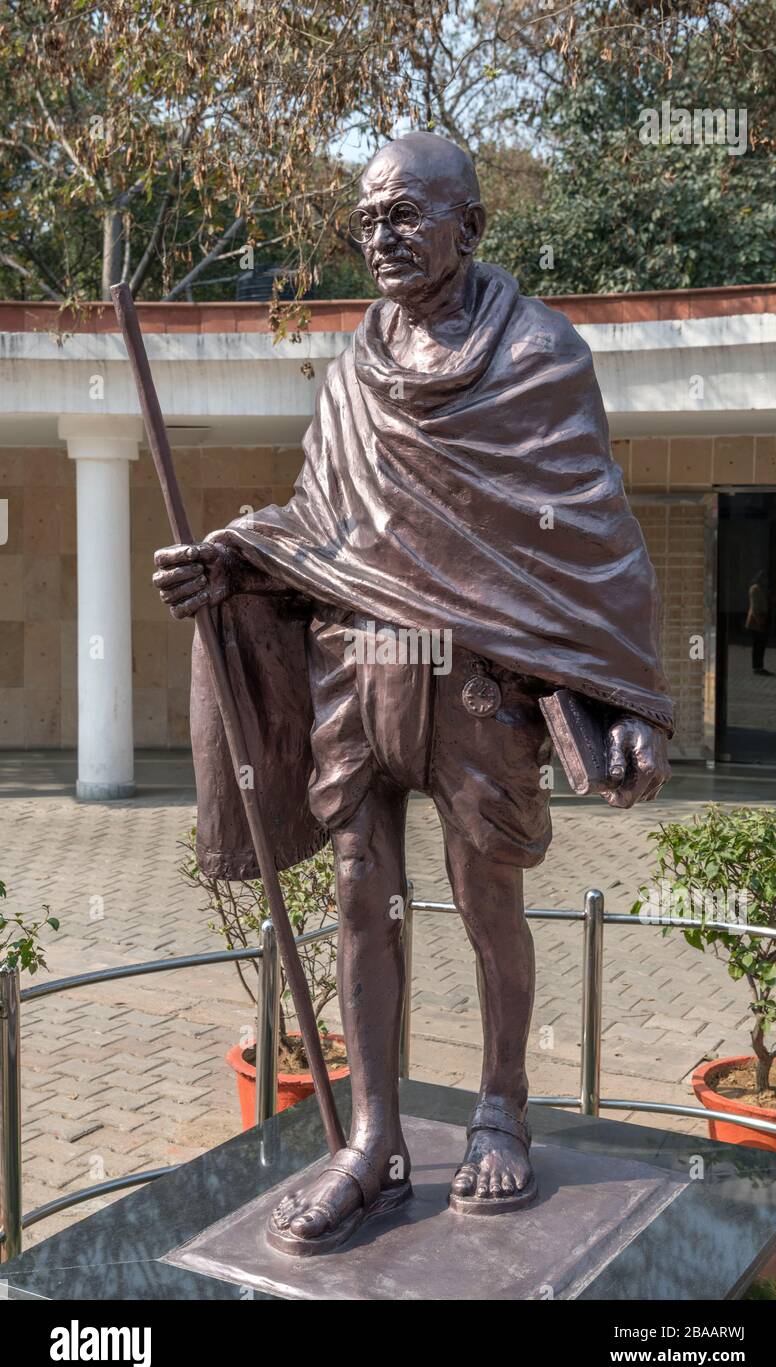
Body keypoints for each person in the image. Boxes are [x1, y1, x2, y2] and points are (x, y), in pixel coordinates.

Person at [153, 132, 673, 1253]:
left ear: (470, 226)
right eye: (367, 218)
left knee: (488, 897)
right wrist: (234, 561)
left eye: (404, 214)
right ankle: (376, 1136)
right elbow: (325, 531)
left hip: (475, 686)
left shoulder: (538, 353)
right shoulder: (351, 372)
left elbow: (595, 540)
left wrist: (629, 700)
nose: (380, 235)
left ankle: (501, 1108)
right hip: (354, 668)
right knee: (359, 897)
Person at [745, 570, 771, 675]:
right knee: (758, 645)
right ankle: (757, 667)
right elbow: (755, 607)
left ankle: (760, 666)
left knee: (761, 644)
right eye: (765, 579)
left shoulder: (761, 589)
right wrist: (759, 621)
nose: (766, 581)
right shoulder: (755, 588)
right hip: (756, 620)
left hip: (761, 618)